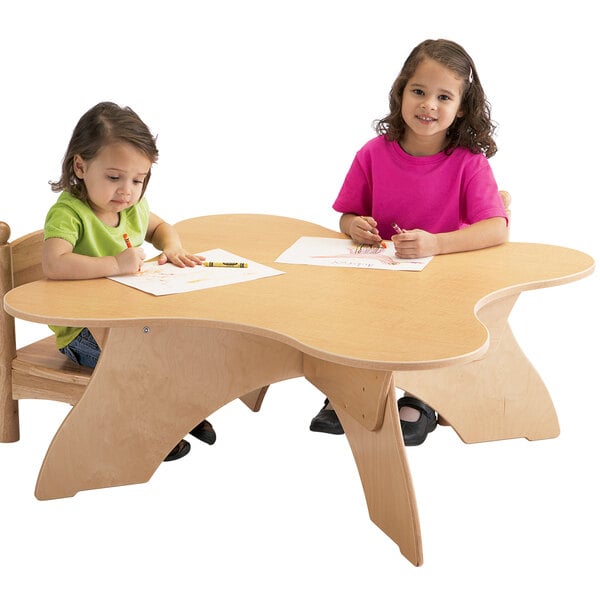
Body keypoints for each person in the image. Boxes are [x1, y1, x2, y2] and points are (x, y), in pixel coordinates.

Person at [309, 39, 509, 446]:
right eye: (418, 91)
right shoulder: (373, 154)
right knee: (344, 314)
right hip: (380, 277)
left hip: (442, 283)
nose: (428, 105)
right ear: (401, 92)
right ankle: (350, 387)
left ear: (462, 107)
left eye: (444, 97)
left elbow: (496, 228)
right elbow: (347, 215)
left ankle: (422, 397)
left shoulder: (469, 163)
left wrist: (436, 244)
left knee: (431, 325)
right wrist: (354, 226)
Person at [43, 101, 216, 461]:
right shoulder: (69, 212)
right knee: (139, 363)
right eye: (114, 178)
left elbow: (161, 227)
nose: (126, 191)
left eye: (138, 180)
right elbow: (54, 263)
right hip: (83, 330)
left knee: (180, 342)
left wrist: (172, 247)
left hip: (126, 319)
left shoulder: (132, 207)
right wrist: (114, 264)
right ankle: (151, 432)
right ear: (81, 166)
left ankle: (182, 412)